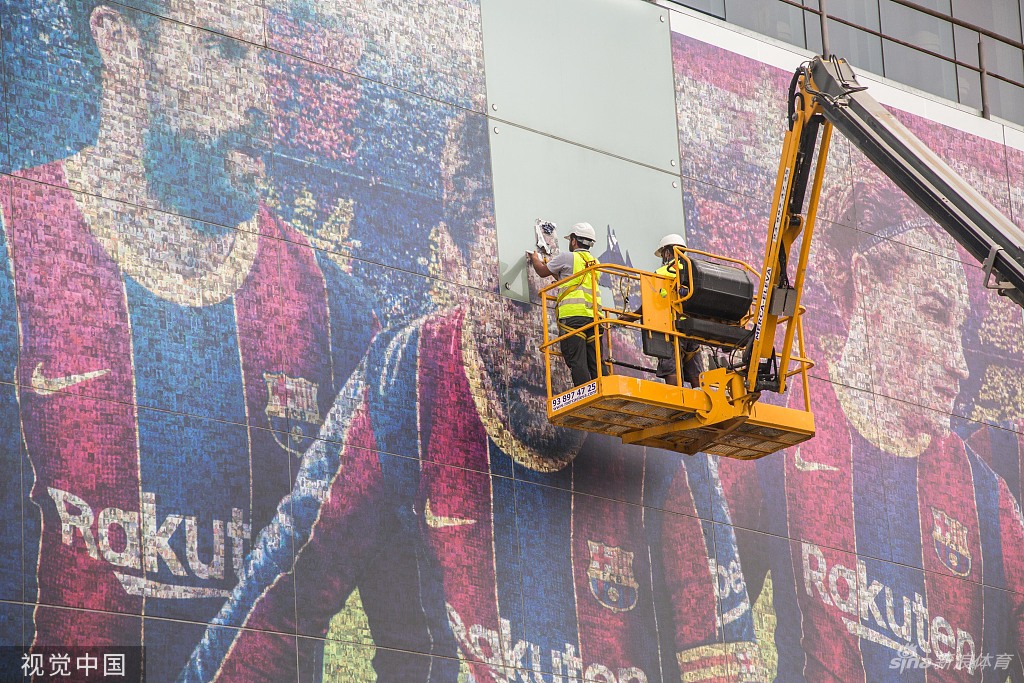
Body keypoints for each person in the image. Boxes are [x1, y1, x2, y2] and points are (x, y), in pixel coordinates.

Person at [179, 112, 770, 683]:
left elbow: (721, 652)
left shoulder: (643, 399)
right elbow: (281, 595)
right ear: (451, 259)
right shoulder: (408, 377)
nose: (543, 341)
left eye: (567, 308)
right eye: (516, 302)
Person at [0, 0, 373, 677]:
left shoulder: (332, 309)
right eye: (222, 52)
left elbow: (408, 618)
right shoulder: (15, 239)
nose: (259, 98)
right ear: (119, 43)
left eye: (261, 61)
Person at [715, 177, 1024, 680]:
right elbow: (711, 615)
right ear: (868, 284)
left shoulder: (989, 500)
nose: (960, 363)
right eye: (934, 313)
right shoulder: (784, 433)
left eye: (960, 330)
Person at [526, 223, 603, 387]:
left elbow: (541, 271)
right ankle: (602, 391)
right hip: (594, 317)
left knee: (577, 360)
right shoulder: (596, 262)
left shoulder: (567, 257)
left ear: (574, 241)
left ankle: (585, 396)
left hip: (573, 317)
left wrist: (535, 259)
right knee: (595, 361)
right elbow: (573, 279)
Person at [653, 233, 704, 388]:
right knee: (695, 372)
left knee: (671, 368)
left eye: (663, 254)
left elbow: (651, 302)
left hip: (671, 327)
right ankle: (699, 401)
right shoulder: (694, 272)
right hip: (692, 328)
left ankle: (675, 398)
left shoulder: (661, 273)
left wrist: (630, 318)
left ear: (667, 252)